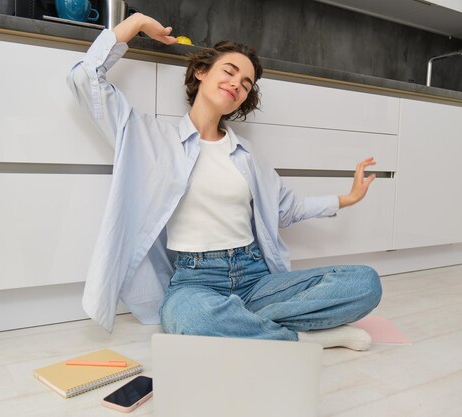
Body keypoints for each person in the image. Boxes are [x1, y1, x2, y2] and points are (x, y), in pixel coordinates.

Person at [67, 13, 382, 351]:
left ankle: (242, 324)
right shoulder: (151, 136)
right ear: (201, 72)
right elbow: (86, 79)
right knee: (188, 318)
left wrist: (347, 198)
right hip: (195, 281)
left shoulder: (246, 156)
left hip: (255, 277)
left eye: (246, 84)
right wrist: (137, 24)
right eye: (230, 72)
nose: (237, 84)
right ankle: (301, 338)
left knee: (365, 283)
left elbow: (287, 208)